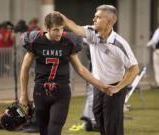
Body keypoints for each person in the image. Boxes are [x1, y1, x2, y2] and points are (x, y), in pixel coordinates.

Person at [19, 12, 113, 135]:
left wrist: (101, 85)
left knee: (54, 130)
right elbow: (24, 68)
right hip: (40, 92)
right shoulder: (36, 40)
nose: (59, 33)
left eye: (62, 28)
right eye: (56, 29)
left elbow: (80, 69)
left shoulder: (68, 41)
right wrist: (23, 94)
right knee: (44, 131)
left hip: (61, 92)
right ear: (47, 28)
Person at [59, 4, 139, 135]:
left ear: (108, 21)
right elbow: (77, 28)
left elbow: (134, 69)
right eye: (95, 17)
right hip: (98, 86)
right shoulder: (91, 32)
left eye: (98, 17)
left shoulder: (119, 43)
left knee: (112, 125)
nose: (93, 19)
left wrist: (118, 87)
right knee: (99, 118)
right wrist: (64, 19)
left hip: (114, 88)